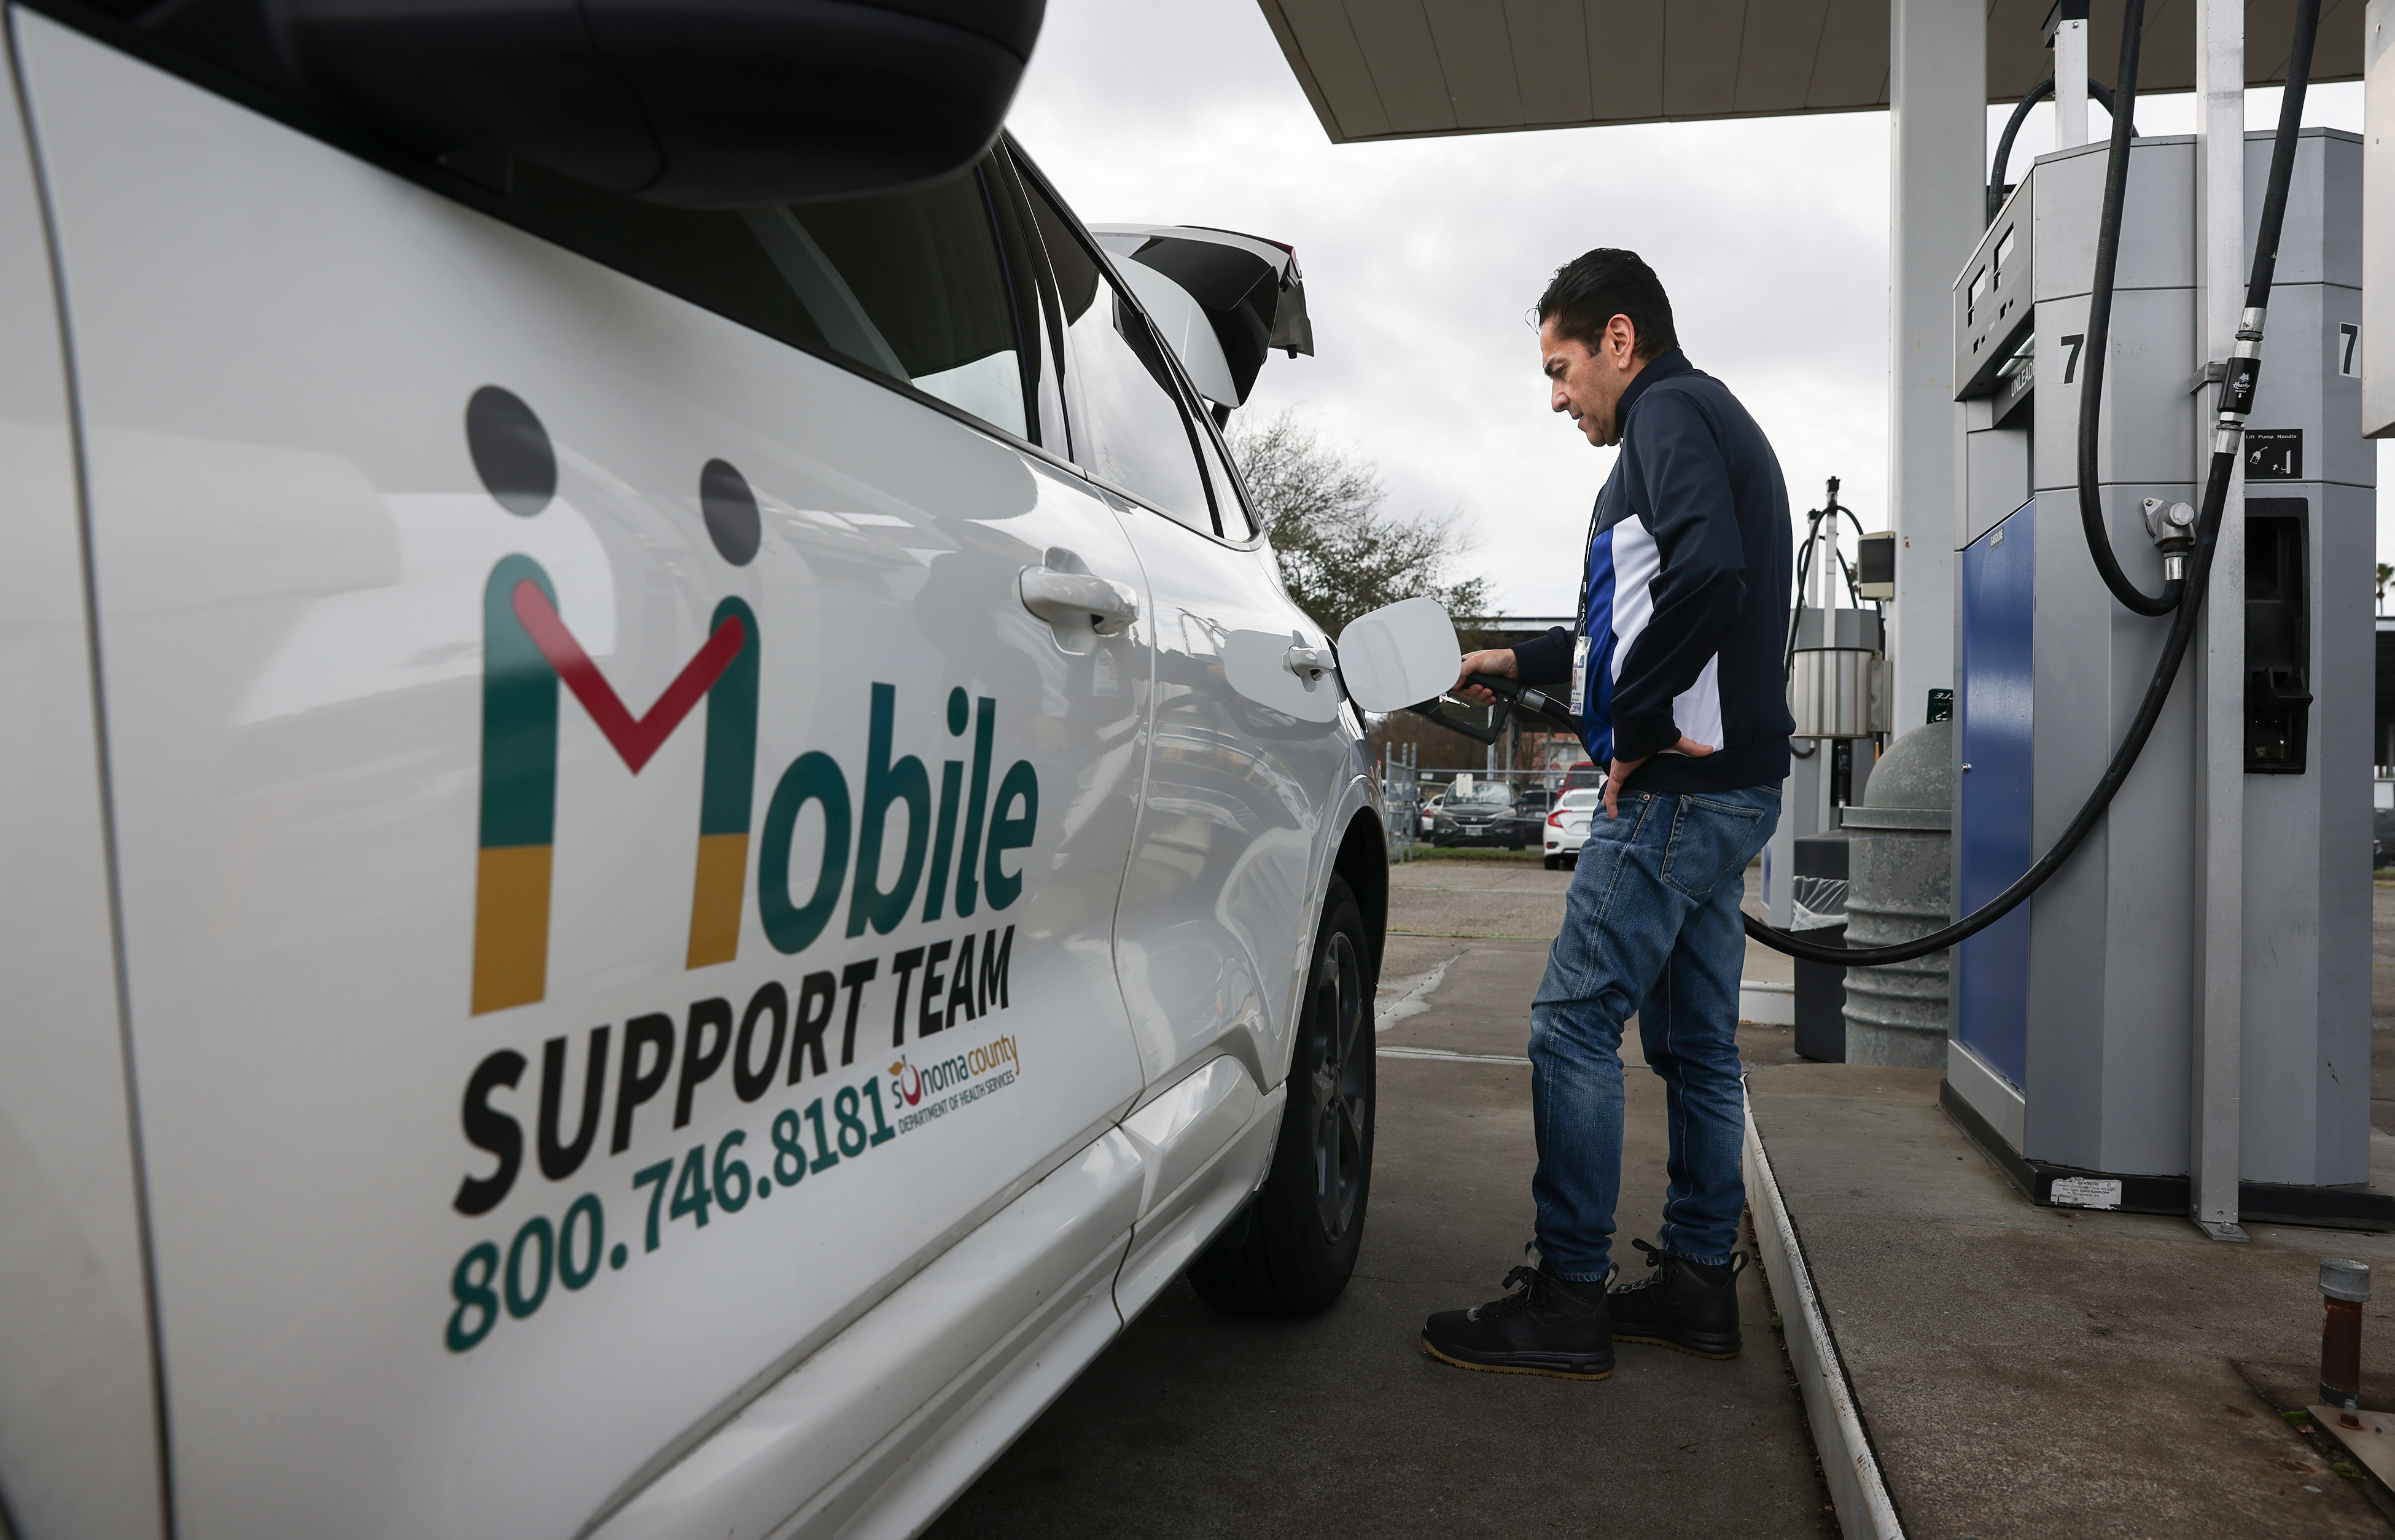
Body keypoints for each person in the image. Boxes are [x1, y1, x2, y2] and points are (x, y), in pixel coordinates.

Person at [1420, 249, 1793, 1380]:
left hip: (1673, 797)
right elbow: (1631, 618)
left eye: (1561, 367)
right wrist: (1515, 657)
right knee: (1694, 1046)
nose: (1556, 396)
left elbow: (1709, 575)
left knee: (1572, 1026)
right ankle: (1696, 1286)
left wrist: (1633, 728)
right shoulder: (1696, 422)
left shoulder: (1667, 415)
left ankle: (1570, 1296)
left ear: (1618, 340)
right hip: (1728, 793)